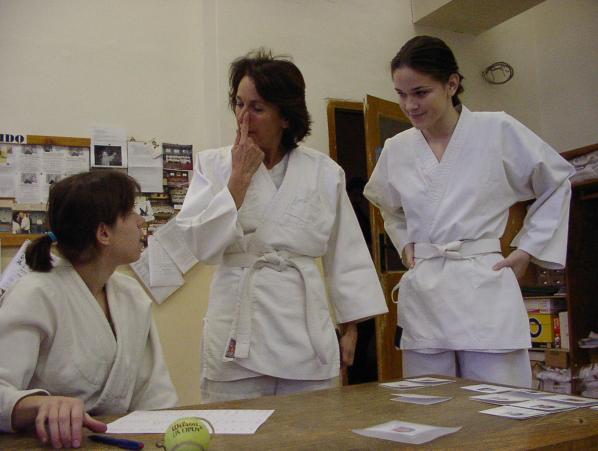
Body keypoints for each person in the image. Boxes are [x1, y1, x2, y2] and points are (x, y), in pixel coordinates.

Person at [177, 49, 387, 403]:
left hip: (303, 330)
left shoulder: (324, 173)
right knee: (237, 427)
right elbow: (200, 245)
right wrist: (238, 181)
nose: (243, 118)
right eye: (239, 104)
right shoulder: (213, 165)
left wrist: (351, 327)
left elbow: (346, 253)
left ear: (286, 117)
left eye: (257, 108)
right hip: (236, 325)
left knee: (310, 426)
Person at [364, 36, 574, 388]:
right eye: (401, 94)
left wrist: (527, 249)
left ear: (451, 84)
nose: (410, 105)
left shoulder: (496, 130)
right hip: (427, 289)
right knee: (432, 403)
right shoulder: (397, 149)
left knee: (498, 402)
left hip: (483, 282)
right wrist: (405, 242)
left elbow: (556, 182)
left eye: (420, 92)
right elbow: (388, 206)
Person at [0, 171, 177, 448]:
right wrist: (38, 404)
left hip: (120, 441)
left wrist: (170, 432)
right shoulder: (36, 294)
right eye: (130, 213)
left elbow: (154, 393)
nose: (141, 221)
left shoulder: (130, 295)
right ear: (104, 233)